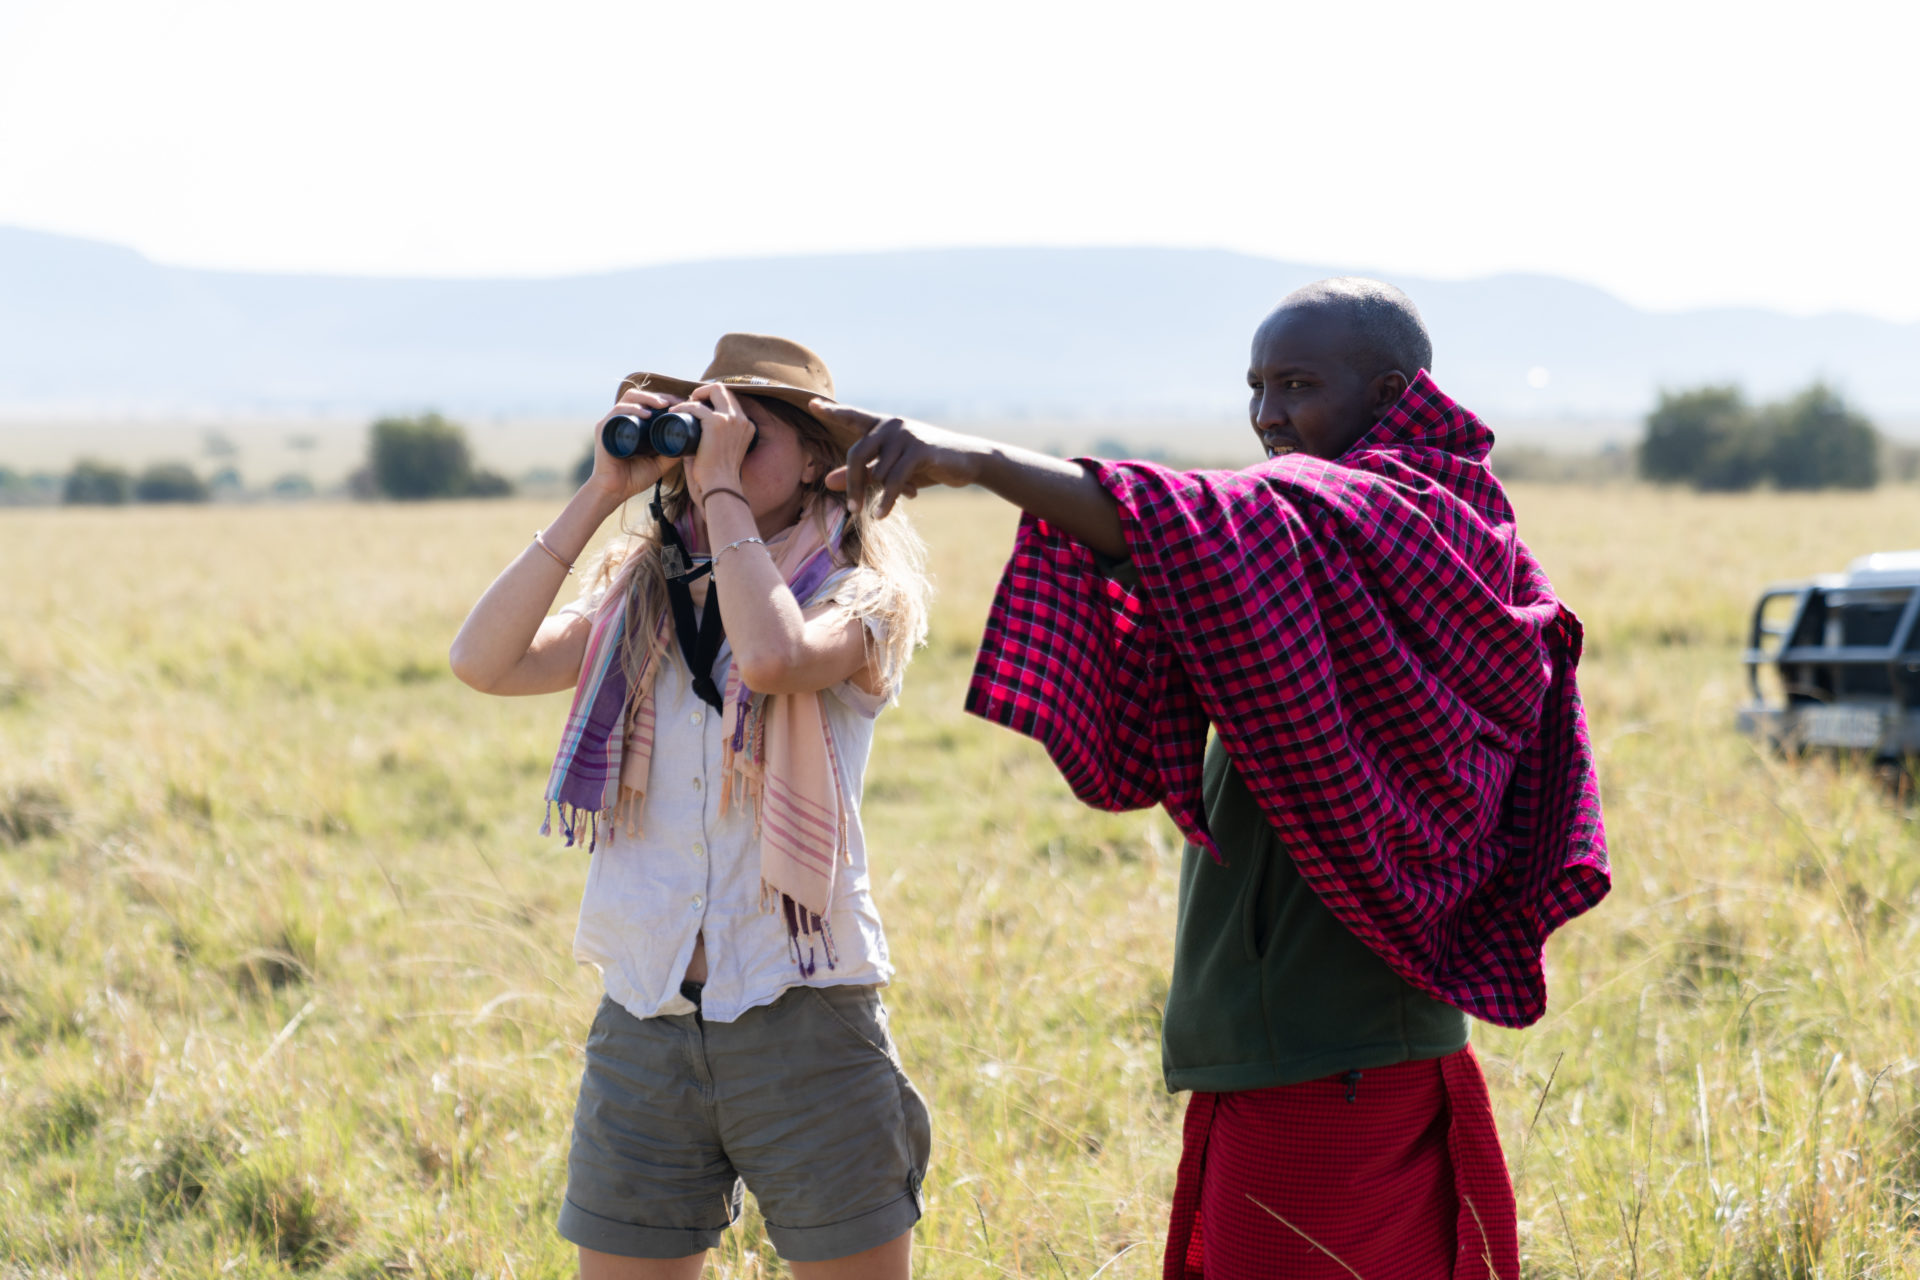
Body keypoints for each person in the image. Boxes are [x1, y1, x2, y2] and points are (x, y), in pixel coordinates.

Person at [813, 279, 1611, 1280]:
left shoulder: (1388, 515)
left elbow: (1202, 521)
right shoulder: (1358, 535)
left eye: (1299, 385)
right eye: (1256, 387)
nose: (1268, 413)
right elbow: (1216, 544)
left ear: (1389, 393)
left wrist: (977, 460)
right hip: (1306, 1037)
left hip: (1335, 1049)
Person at [450, 334, 934, 1280]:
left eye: (747, 434)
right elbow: (483, 661)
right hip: (648, 1010)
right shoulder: (640, 595)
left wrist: (717, 492)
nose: (719, 447)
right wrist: (603, 492)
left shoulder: (861, 596)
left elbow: (774, 657)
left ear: (820, 463)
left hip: (804, 1010)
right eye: (705, 428)